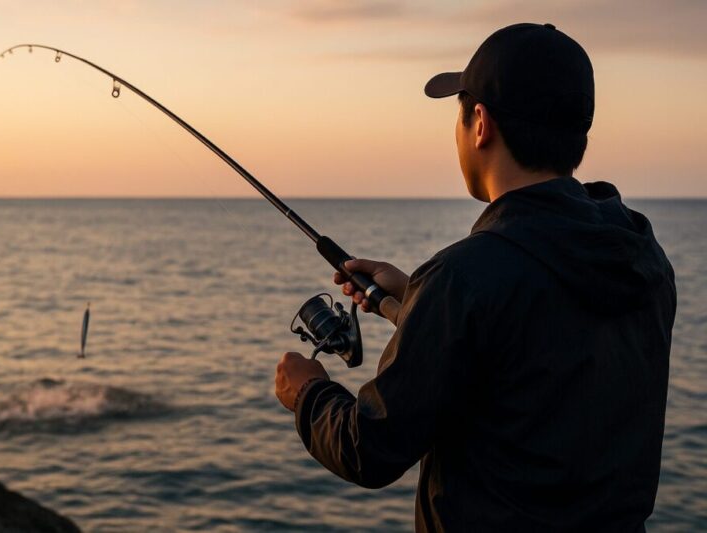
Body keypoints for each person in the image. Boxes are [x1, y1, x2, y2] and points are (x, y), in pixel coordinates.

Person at [274, 22, 676, 532]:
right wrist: (413, 297)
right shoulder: (643, 258)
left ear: (480, 124)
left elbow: (369, 449)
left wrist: (307, 392)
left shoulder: (464, 279)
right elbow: (532, 361)